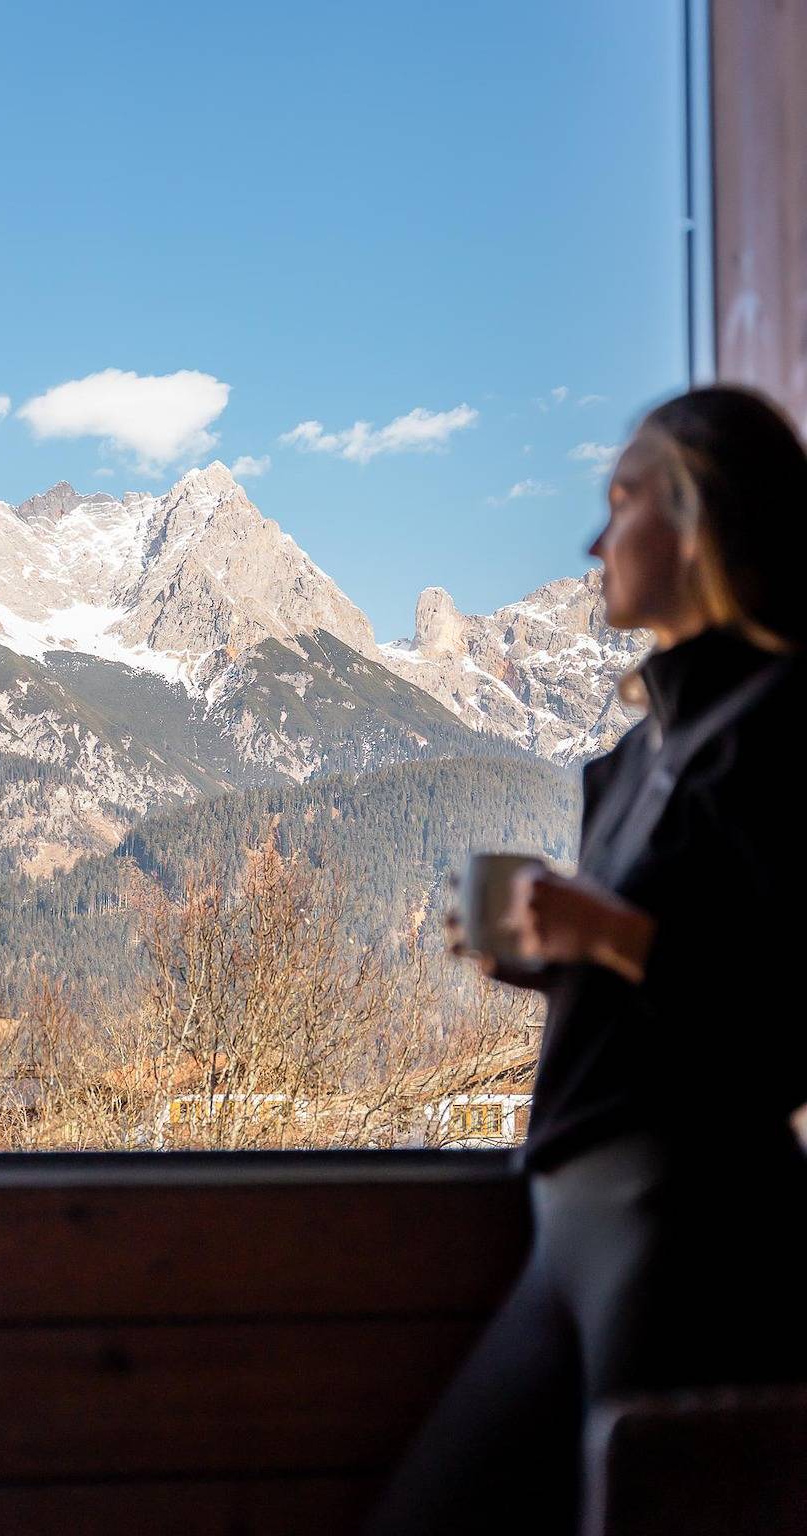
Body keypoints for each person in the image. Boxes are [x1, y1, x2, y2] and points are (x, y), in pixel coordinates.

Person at [367, 384, 807, 1536]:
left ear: (699, 518)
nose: (593, 541)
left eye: (621, 499)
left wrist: (606, 934)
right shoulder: (627, 761)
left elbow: (783, 1022)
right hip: (570, 1220)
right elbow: (668, 980)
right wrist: (546, 961)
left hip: (694, 1222)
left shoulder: (785, 727)